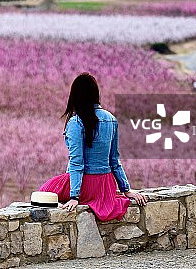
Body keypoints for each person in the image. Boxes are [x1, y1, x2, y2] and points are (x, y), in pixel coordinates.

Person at [38, 72, 146, 221]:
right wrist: (125, 189)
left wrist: (74, 196)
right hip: (105, 186)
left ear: (75, 96)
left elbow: (77, 162)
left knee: (44, 191)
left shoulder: (76, 122)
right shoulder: (111, 119)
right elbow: (114, 160)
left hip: (85, 184)